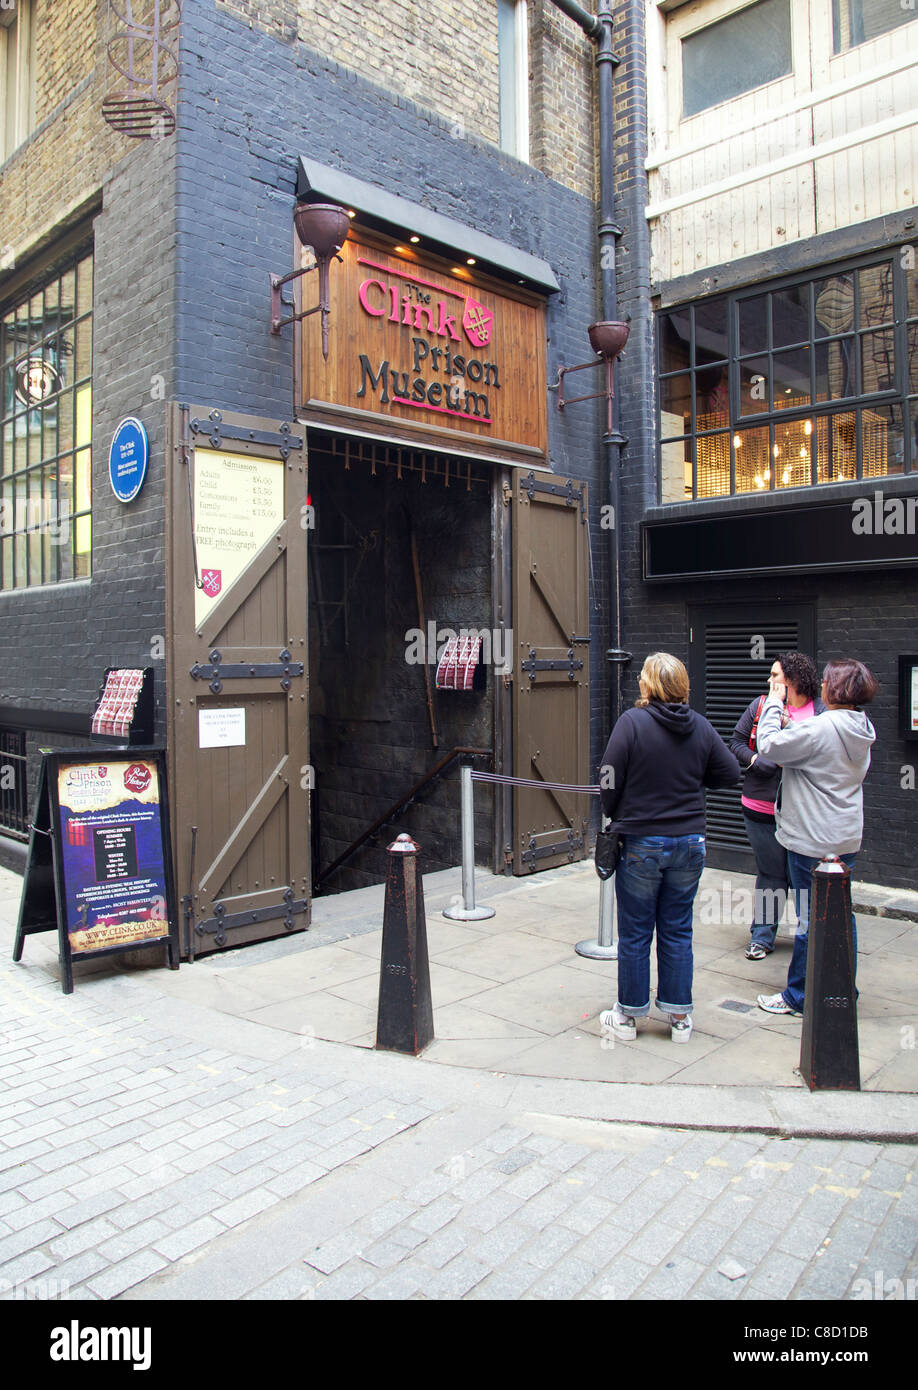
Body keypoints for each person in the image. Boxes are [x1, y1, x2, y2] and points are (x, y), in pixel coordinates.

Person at [598, 652, 740, 1043]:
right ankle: (679, 1018)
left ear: (648, 684)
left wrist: (614, 814)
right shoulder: (700, 726)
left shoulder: (632, 723)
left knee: (636, 932)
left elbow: (608, 777)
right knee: (678, 930)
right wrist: (692, 780)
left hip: (642, 841)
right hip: (690, 842)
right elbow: (729, 771)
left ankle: (628, 1018)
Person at [755, 658, 877, 1016]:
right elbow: (819, 751)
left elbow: (769, 747)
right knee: (841, 916)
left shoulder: (822, 728)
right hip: (844, 836)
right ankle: (843, 990)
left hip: (812, 839)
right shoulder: (860, 725)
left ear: (834, 688)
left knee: (809, 919)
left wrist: (775, 702)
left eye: (826, 681)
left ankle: (798, 996)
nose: (821, 685)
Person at [730, 652, 825, 960]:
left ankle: (808, 939)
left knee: (803, 878)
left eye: (775, 676)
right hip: (761, 805)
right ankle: (762, 936)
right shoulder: (760, 705)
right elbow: (736, 743)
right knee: (771, 873)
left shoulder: (820, 713)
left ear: (793, 681)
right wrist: (755, 759)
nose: (769, 681)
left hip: (803, 811)